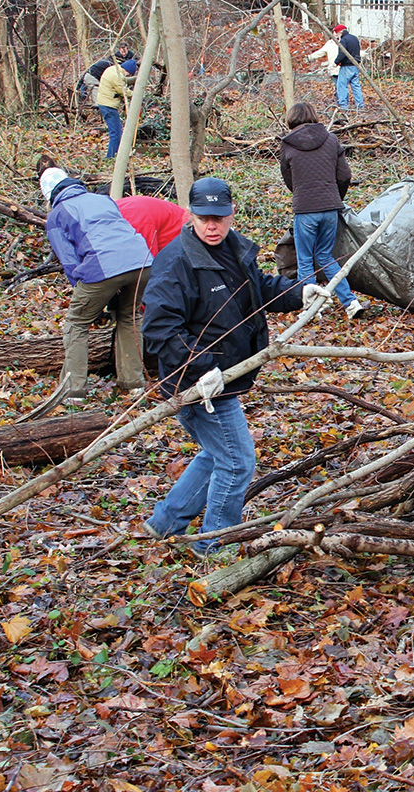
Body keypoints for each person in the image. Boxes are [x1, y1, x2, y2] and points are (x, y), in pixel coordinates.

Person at [140, 177, 327, 557]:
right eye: (205, 218)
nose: (213, 226)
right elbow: (159, 328)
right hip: (198, 384)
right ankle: (214, 544)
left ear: (231, 215)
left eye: (220, 218)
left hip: (226, 377)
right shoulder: (175, 262)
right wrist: (200, 368)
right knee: (238, 461)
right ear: (191, 215)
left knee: (215, 454)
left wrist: (297, 292)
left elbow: (257, 289)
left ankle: (165, 522)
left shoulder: (233, 248)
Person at [40, 165, 189, 400]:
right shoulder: (102, 200)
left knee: (77, 322)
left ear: (48, 195)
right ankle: (133, 383)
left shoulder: (56, 216)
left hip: (102, 266)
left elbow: (70, 263)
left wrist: (88, 296)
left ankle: (73, 390)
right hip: (142, 261)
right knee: (129, 317)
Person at [280, 101, 363, 320]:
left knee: (305, 259)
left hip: (305, 209)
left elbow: (289, 179)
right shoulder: (331, 139)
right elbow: (345, 175)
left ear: (292, 119)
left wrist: (301, 192)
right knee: (326, 255)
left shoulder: (287, 144)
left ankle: (312, 308)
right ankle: (351, 302)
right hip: (329, 208)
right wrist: (335, 198)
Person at [96, 61, 132, 158]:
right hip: (108, 106)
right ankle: (111, 157)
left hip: (104, 103)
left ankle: (114, 154)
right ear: (127, 71)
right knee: (116, 133)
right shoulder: (117, 76)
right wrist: (136, 94)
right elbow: (123, 91)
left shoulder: (112, 69)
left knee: (117, 131)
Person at [333, 25, 364, 110]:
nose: (336, 35)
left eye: (336, 33)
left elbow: (342, 53)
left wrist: (336, 62)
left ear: (340, 32)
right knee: (356, 86)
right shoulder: (354, 38)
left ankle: (343, 106)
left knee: (342, 86)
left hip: (346, 66)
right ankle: (360, 105)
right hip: (355, 66)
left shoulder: (343, 40)